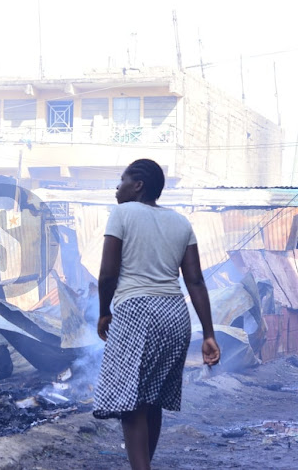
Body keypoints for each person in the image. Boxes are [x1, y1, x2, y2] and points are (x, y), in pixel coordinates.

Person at [93, 159, 220, 470]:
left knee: (130, 401)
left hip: (136, 311)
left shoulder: (122, 213)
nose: (116, 188)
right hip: (175, 316)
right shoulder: (181, 222)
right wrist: (208, 334)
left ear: (138, 185)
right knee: (152, 397)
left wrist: (103, 312)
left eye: (121, 181)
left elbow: (108, 274)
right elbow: (195, 280)